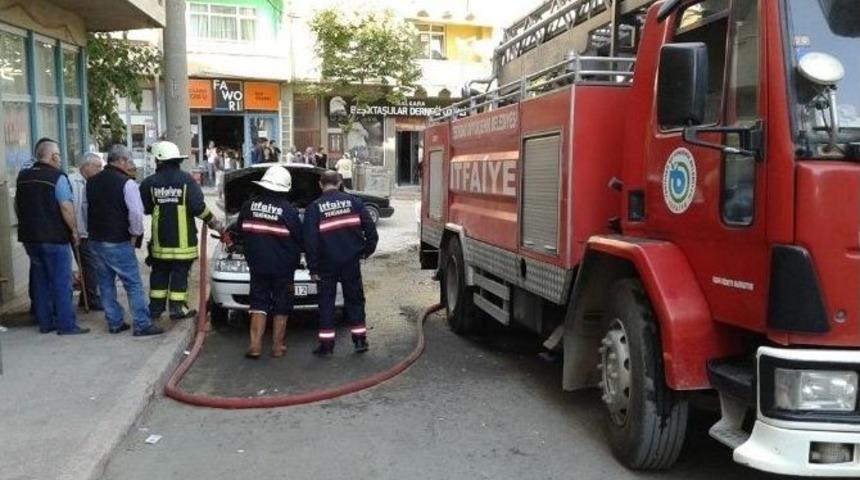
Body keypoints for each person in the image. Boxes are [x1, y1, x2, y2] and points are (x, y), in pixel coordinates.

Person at [140, 141, 224, 321]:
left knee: (159, 274)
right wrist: (213, 222)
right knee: (180, 274)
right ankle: (177, 309)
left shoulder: (149, 182)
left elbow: (145, 208)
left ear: (159, 160)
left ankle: (155, 309)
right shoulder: (186, 180)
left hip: (160, 242)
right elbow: (198, 207)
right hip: (183, 243)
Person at [15, 139, 89, 335]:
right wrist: (74, 231)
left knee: (40, 280)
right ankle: (66, 325)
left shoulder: (22, 176)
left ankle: (45, 322)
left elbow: (17, 205)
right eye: (59, 155)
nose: (60, 159)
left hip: (30, 237)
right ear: (54, 157)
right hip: (54, 237)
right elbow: (66, 207)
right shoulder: (57, 177)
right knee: (61, 281)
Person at [87, 145, 161, 336]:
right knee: (133, 283)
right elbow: (136, 213)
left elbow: (85, 209)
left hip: (96, 239)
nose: (130, 165)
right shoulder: (127, 184)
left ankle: (114, 322)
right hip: (118, 240)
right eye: (128, 161)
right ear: (120, 161)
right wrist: (135, 234)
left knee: (105, 283)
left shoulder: (92, 182)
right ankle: (142, 324)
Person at [304, 170, 378, 356]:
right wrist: (365, 251)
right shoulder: (354, 202)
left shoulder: (315, 208)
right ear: (339, 183)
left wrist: (313, 268)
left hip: (326, 264)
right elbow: (371, 231)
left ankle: (327, 347)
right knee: (355, 300)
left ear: (321, 185)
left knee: (326, 303)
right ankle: (360, 340)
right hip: (350, 261)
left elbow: (310, 242)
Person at [234, 166, 302, 358]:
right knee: (282, 304)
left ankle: (255, 346)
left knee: (258, 303)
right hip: (283, 267)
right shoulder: (289, 211)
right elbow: (299, 237)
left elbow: (240, 233)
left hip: (257, 265)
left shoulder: (248, 206)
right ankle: (277, 347)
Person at [69, 153, 104, 311]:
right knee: (90, 266)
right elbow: (71, 208)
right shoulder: (72, 181)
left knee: (90, 266)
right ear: (86, 166)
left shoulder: (93, 183)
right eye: (97, 166)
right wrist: (74, 230)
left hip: (88, 232)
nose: (100, 170)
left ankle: (86, 298)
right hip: (77, 232)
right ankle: (92, 299)